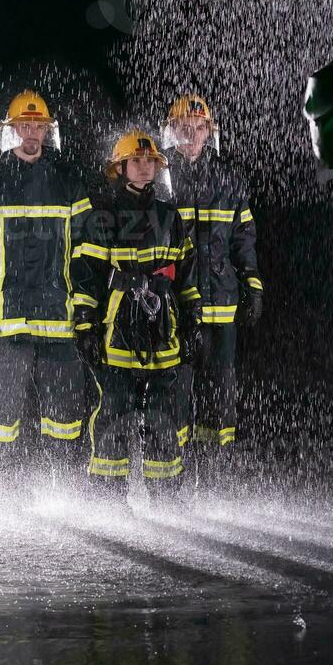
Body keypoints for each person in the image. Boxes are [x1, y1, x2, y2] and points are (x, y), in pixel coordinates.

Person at [0, 90, 96, 496]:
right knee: (0, 418)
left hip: (59, 318)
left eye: (39, 126)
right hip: (6, 319)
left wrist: (85, 308)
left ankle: (67, 494)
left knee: (67, 418)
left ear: (48, 131)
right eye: (25, 125)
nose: (32, 133)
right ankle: (1, 496)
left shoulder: (69, 183)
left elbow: (88, 252)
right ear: (11, 129)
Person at [73, 129, 201, 508]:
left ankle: (166, 499)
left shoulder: (169, 215)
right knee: (114, 408)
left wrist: (193, 319)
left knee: (164, 413)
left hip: (163, 325)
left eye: (150, 162)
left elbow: (186, 271)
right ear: (120, 168)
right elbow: (88, 274)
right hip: (118, 326)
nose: (144, 168)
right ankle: (107, 500)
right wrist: (85, 324)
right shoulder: (104, 216)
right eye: (136, 161)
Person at [160, 94, 263, 488]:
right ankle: (173, 478)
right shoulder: (162, 176)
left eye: (199, 129)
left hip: (222, 307)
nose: (192, 136)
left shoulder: (229, 178)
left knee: (219, 396)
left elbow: (243, 239)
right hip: (178, 308)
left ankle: (214, 478)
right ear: (173, 132)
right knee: (177, 393)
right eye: (185, 129)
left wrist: (253, 286)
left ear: (209, 132)